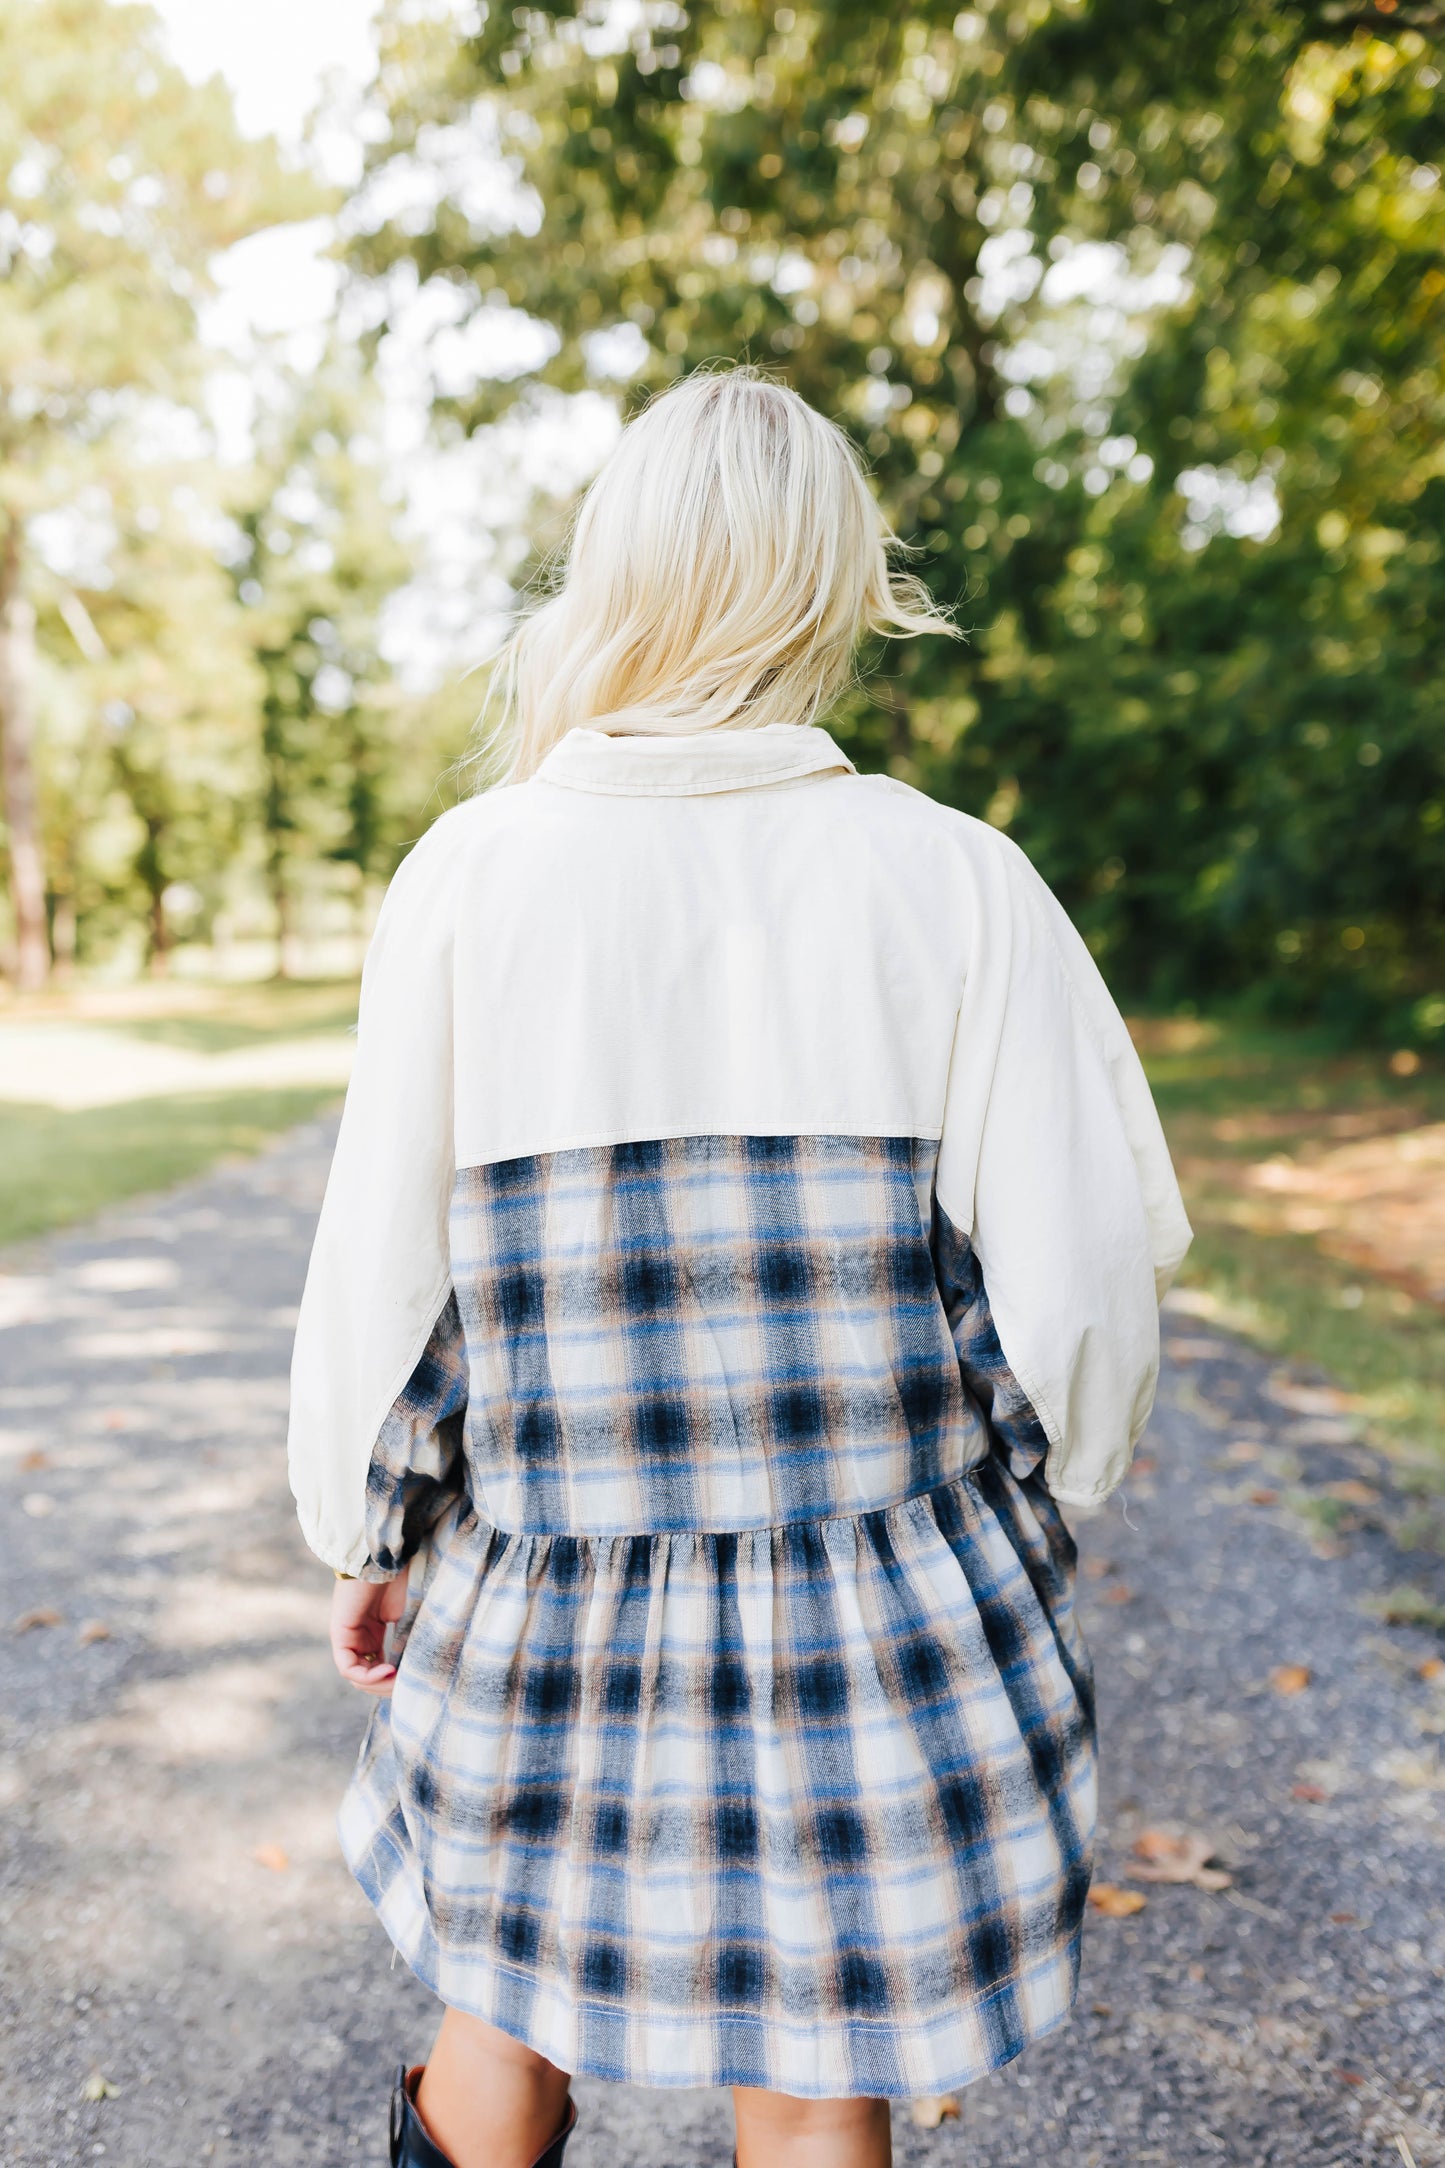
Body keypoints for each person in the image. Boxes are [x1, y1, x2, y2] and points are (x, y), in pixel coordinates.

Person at [288, 367, 1191, 2168]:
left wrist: (372, 1531)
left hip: (551, 1593)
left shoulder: (471, 876)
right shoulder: (957, 881)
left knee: (504, 2032)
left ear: (614, 578)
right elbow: (1080, 1280)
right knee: (810, 2076)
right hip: (883, 1603)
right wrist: (1036, 1482)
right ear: (837, 589)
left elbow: (392, 1291)